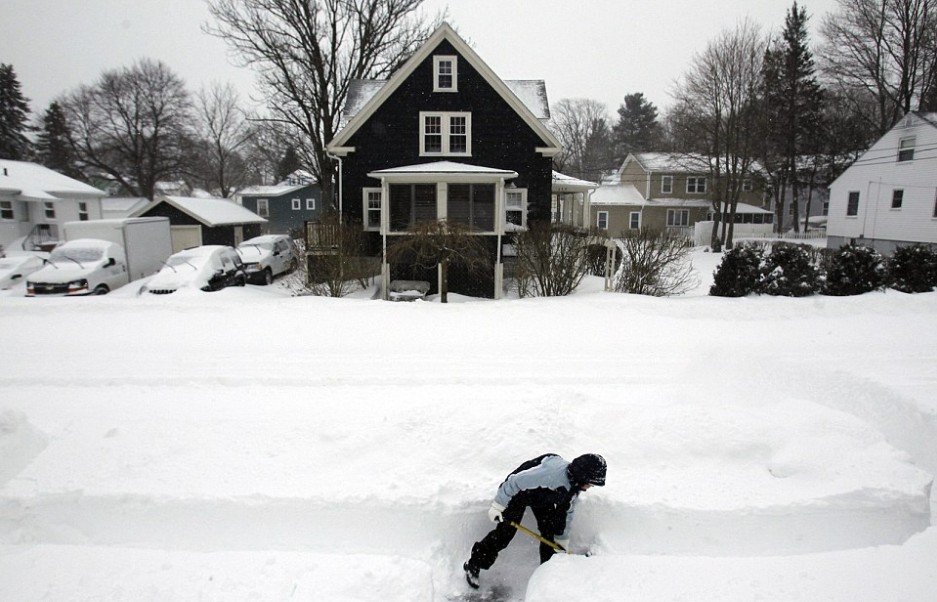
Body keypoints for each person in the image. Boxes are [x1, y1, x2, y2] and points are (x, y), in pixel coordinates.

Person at [462, 453, 607, 589]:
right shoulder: (550, 474)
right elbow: (514, 482)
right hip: (518, 493)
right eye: (591, 483)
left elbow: (566, 514)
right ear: (582, 476)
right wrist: (498, 506)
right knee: (504, 534)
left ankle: (548, 576)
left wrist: (561, 540)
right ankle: (474, 564)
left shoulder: (573, 489)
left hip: (542, 497)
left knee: (550, 535)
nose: (590, 487)